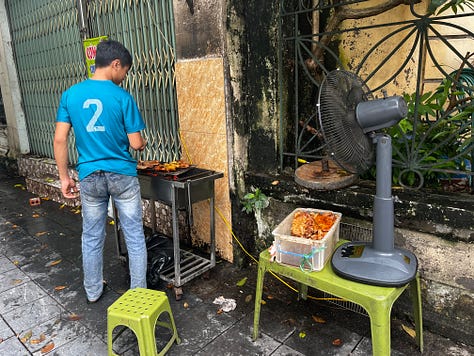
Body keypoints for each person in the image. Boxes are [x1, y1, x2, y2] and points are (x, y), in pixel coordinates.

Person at [54, 39, 147, 303]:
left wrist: (64, 177)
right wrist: (143, 142)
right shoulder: (122, 97)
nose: (124, 77)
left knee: (92, 235)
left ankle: (93, 291)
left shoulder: (70, 95)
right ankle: (138, 293)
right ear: (116, 64)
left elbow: (60, 139)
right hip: (122, 176)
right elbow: (136, 143)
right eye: (125, 71)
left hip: (90, 176)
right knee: (134, 235)